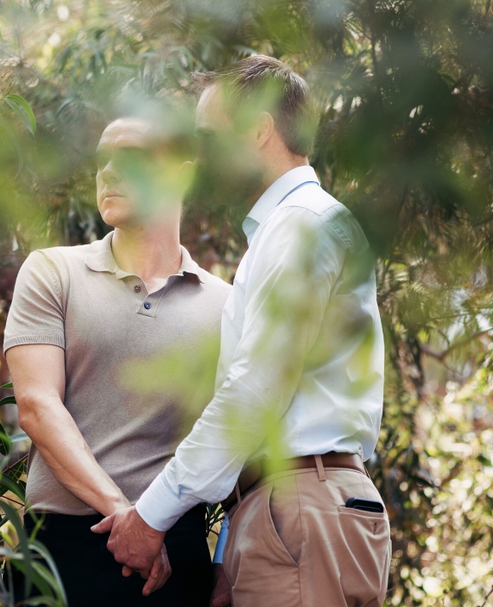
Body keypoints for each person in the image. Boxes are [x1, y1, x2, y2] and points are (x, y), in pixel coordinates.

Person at [93, 56, 391, 606]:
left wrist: (152, 515)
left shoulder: (302, 225)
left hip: (300, 504)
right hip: (286, 508)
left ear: (258, 132)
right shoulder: (293, 227)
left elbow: (254, 391)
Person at [5, 115, 231, 606]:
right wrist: (127, 518)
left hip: (175, 558)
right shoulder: (52, 271)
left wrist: (226, 560)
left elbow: (241, 438)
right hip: (59, 551)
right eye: (102, 159)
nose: (107, 171)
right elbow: (38, 407)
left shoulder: (226, 305)